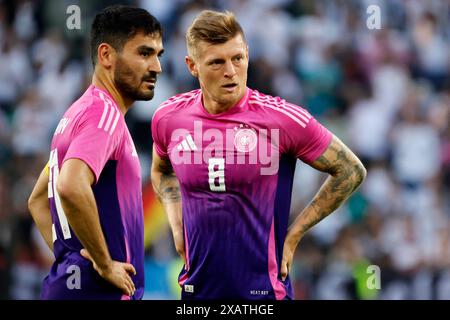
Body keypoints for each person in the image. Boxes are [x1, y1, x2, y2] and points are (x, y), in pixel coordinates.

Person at [151, 10, 366, 300]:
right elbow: (161, 170)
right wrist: (176, 224)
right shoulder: (169, 118)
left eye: (237, 58)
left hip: (264, 295)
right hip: (196, 294)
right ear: (192, 66)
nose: (230, 71)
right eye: (217, 62)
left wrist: (294, 234)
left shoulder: (282, 119)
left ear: (247, 55)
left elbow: (350, 170)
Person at [27, 5, 164, 299]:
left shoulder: (79, 114)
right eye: (144, 53)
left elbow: (38, 200)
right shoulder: (104, 115)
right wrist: (102, 265)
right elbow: (70, 186)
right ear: (106, 56)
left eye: (157, 55)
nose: (156, 67)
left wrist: (72, 260)